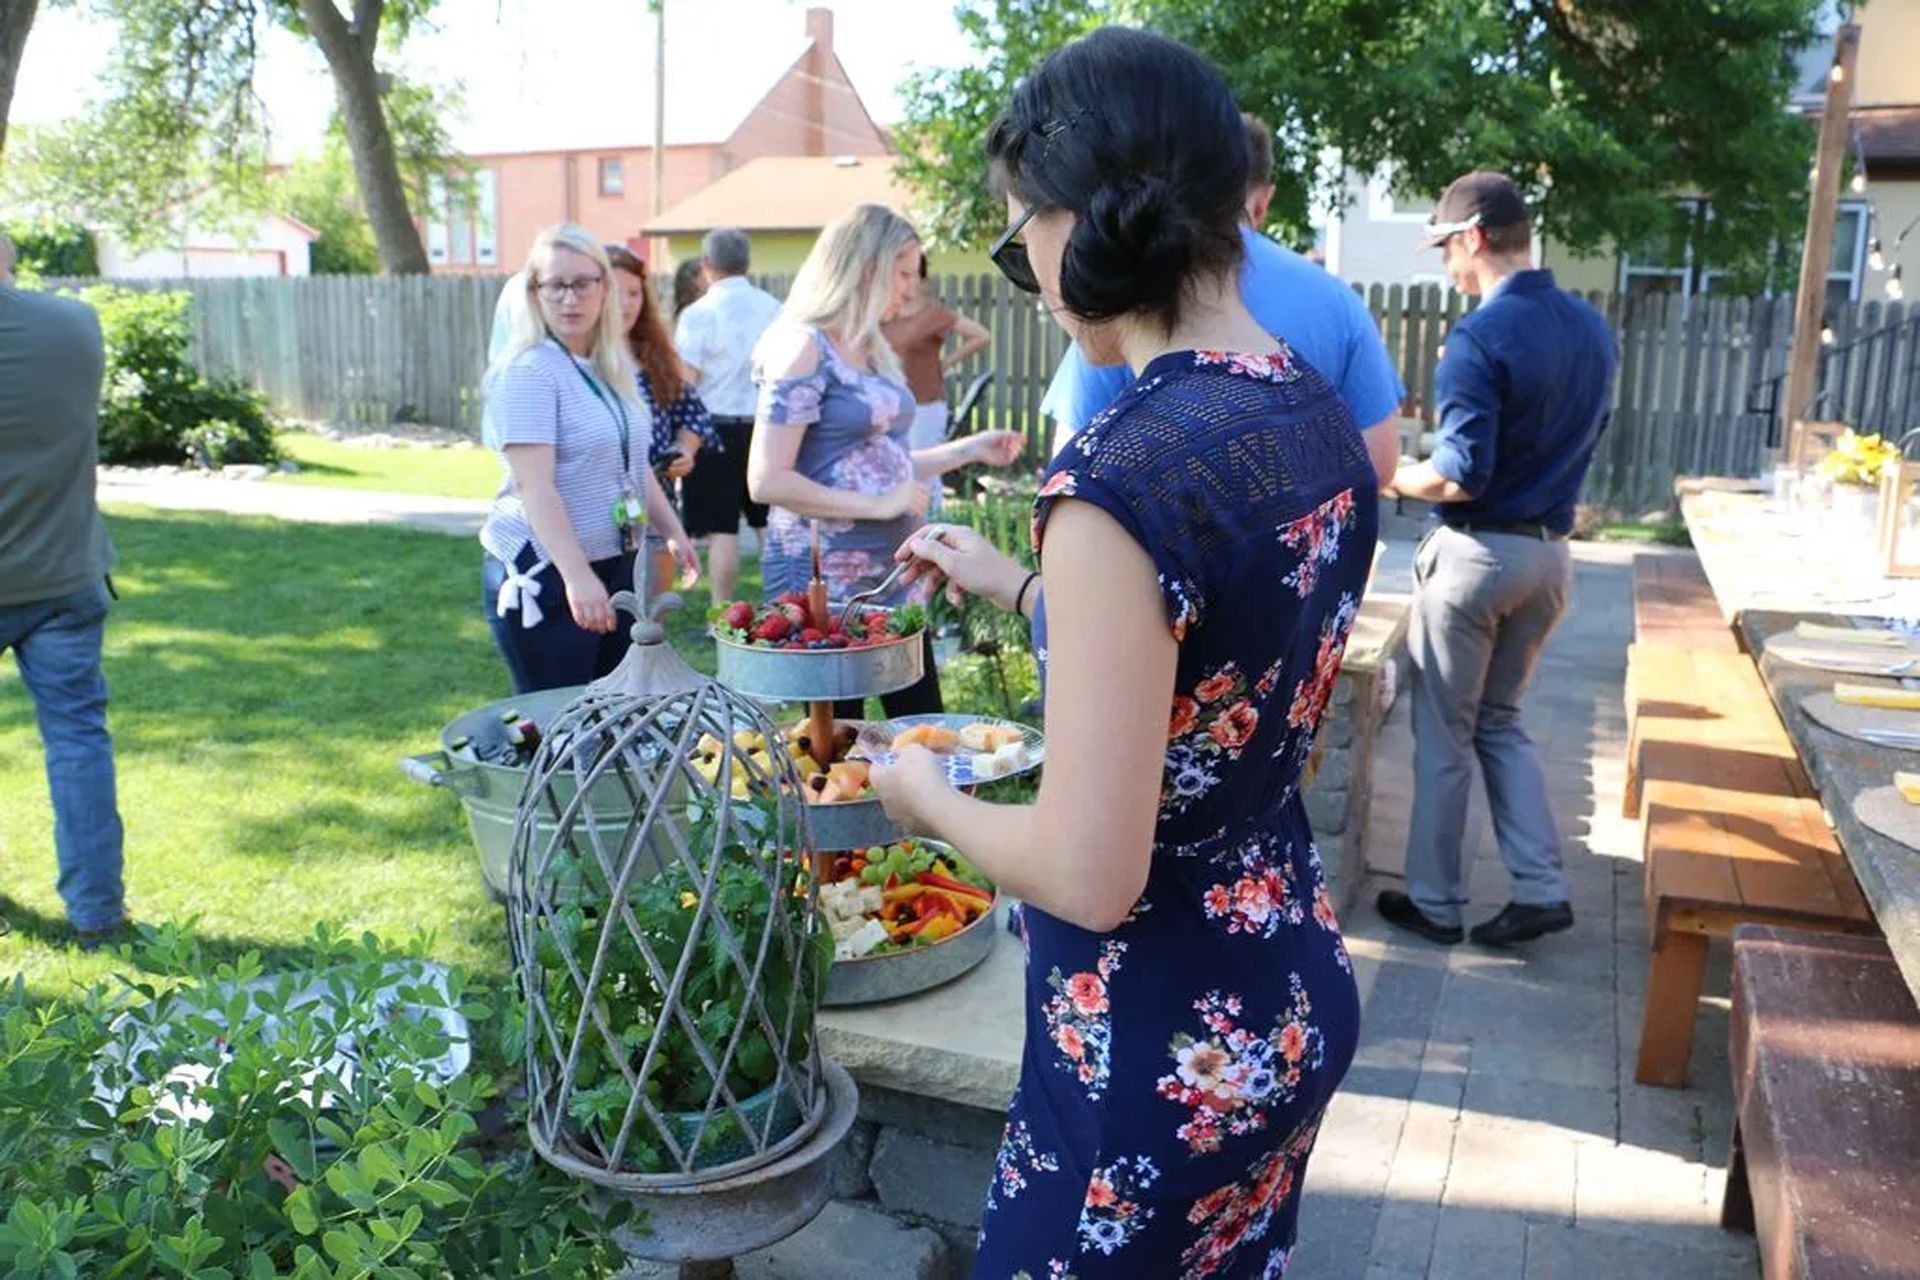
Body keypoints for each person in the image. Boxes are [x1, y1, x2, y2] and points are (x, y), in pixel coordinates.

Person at [870, 29, 1372, 1274]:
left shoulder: (1119, 472)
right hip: (1281, 990)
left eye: (1017, 231)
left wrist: (922, 795)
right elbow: (1216, 658)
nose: (1025, 269)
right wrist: (1026, 585)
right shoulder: (1307, 408)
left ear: (1085, 216)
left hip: (1149, 1048)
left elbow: (1088, 876)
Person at [1375, 171, 1617, 948]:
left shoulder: (1479, 336)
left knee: (1445, 734)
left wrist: (1385, 475)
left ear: (1473, 238)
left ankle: (1436, 905)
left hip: (1478, 559)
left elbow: (1458, 472)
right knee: (1502, 721)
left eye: (1445, 245)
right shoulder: (1591, 327)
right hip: (1550, 560)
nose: (1444, 262)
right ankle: (1541, 887)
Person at [746, 203, 1023, 721]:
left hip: (893, 579)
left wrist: (966, 450)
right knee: (839, 742)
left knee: (922, 726)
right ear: (865, 268)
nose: (909, 289)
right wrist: (879, 504)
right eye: (902, 273)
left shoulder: (869, 346)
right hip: (828, 580)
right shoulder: (801, 347)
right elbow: (766, 480)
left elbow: (881, 462)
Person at [1038, 112, 1403, 487]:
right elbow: (1378, 460)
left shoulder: (1133, 286)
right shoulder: (1339, 303)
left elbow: (1070, 464)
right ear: (1262, 200)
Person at [480, 224, 698, 694]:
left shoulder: (607, 366)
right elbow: (534, 487)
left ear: (604, 287)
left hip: (613, 562)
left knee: (608, 717)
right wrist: (575, 575)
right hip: (549, 572)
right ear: (535, 294)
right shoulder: (529, 372)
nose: (569, 298)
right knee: (559, 723)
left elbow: (633, 464)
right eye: (554, 285)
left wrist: (673, 532)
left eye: (582, 283)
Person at [0, 234, 131, 948]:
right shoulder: (74, 326)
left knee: (79, 740)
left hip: (55, 574)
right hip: (65, 575)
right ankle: (97, 911)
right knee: (78, 741)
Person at [674, 227, 782, 603]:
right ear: (747, 263)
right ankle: (782, 603)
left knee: (723, 530)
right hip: (767, 425)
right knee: (769, 523)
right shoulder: (772, 308)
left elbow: (687, 379)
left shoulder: (697, 314)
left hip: (711, 428)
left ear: (707, 265)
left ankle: (720, 611)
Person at [607, 245, 719, 597]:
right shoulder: (579, 363)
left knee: (651, 612)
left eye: (634, 293)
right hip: (600, 512)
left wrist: (684, 450)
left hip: (659, 505)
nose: (626, 303)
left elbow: (693, 414)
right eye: (615, 292)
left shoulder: (654, 354)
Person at [881, 255, 994, 455]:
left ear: (923, 281)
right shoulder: (885, 314)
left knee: (924, 469)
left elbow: (982, 336)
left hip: (925, 406)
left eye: (911, 275)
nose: (905, 282)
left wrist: (946, 362)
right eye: (900, 275)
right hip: (889, 404)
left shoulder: (934, 314)